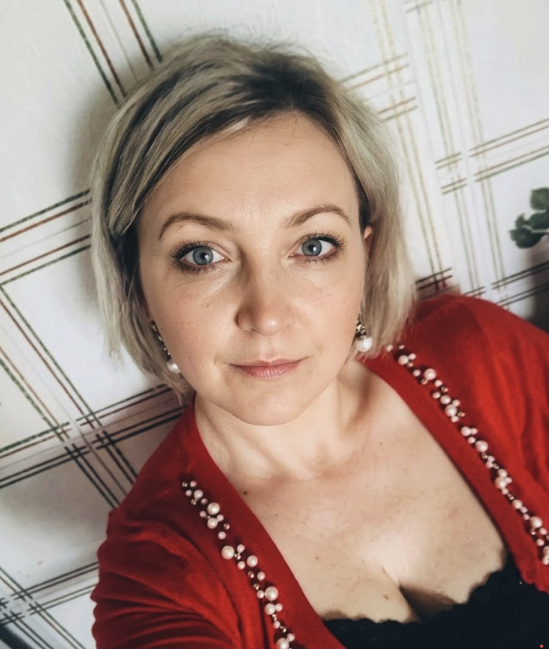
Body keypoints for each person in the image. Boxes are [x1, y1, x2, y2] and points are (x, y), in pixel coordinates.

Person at [89, 31, 549, 649]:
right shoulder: (157, 573)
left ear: (365, 251)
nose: (267, 315)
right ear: (139, 286)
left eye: (312, 246)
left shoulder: (483, 356)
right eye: (202, 255)